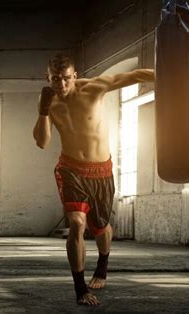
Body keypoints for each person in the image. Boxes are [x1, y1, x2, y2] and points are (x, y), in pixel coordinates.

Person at [33, 54, 154, 306]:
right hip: (70, 169)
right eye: (56, 79)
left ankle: (102, 264)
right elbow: (42, 142)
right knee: (77, 223)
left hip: (101, 171)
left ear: (74, 76)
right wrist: (43, 111)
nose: (62, 85)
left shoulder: (94, 88)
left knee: (100, 228)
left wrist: (172, 77)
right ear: (48, 78)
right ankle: (80, 288)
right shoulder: (50, 102)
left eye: (67, 79)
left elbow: (132, 75)